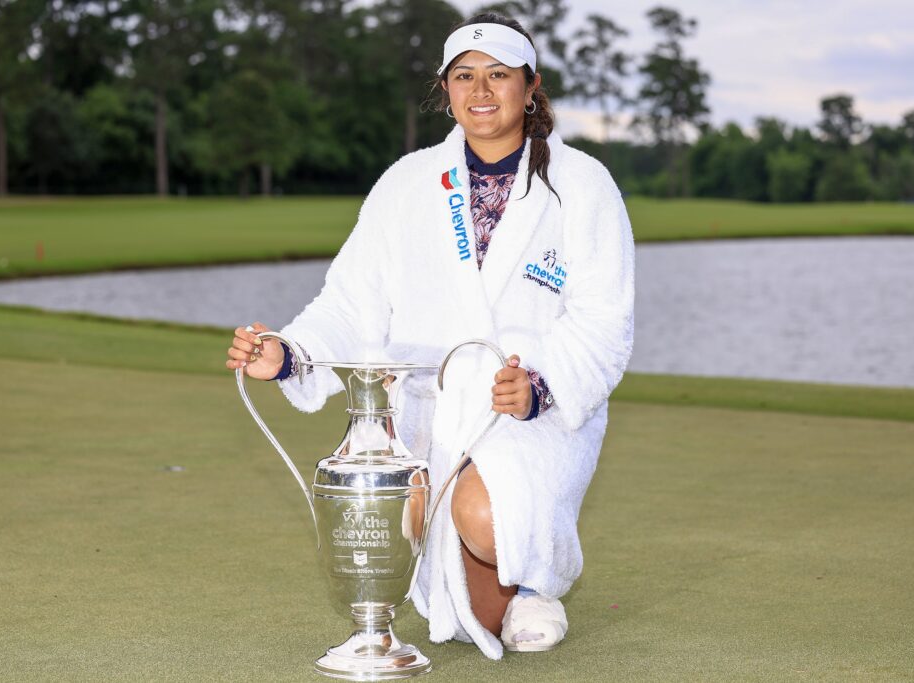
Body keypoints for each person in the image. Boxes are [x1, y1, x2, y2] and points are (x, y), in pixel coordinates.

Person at [225, 13, 634, 660]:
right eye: (464, 76)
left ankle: (535, 581)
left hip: (535, 413)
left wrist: (540, 384)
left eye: (498, 75)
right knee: (472, 615)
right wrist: (289, 354)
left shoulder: (583, 186)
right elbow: (353, 300)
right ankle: (495, 582)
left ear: (531, 87)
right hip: (432, 414)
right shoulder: (407, 183)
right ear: (444, 89)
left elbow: (605, 321)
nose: (480, 90)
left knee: (483, 519)